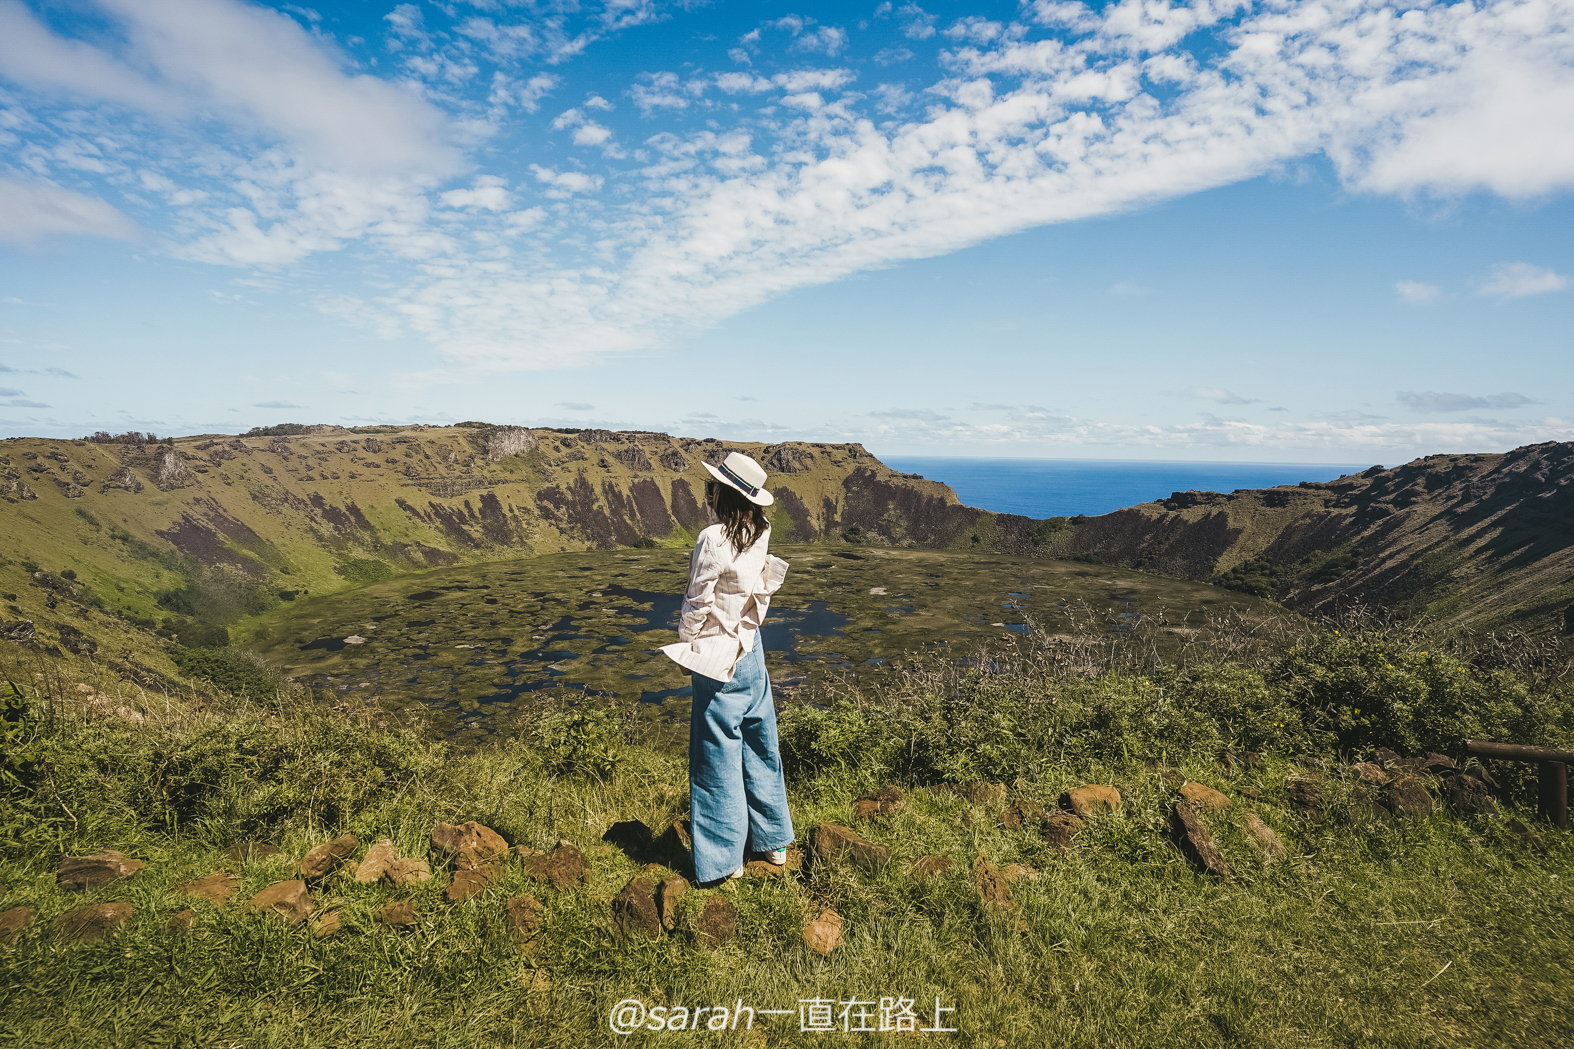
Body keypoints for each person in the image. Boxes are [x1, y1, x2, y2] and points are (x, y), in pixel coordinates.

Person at [660, 451, 794, 886]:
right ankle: (773, 842)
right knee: (761, 745)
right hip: (752, 653)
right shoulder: (762, 530)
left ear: (722, 491)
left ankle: (723, 861)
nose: (708, 490)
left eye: (713, 485)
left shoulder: (713, 539)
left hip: (718, 660)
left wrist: (686, 651)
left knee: (715, 759)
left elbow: (697, 602)